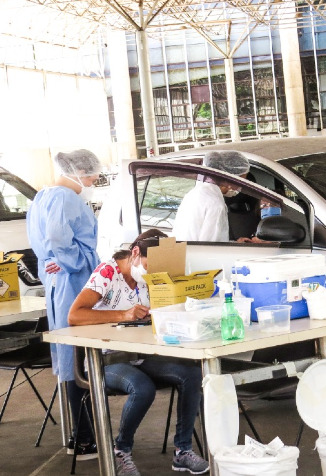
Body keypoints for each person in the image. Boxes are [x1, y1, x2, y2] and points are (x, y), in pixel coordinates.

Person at [68, 229, 208, 476]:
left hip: (138, 355)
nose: (152, 274)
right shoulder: (107, 272)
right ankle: (121, 451)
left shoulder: (148, 281)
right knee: (142, 388)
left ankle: (182, 451)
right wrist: (124, 314)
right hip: (105, 359)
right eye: (149, 266)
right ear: (135, 253)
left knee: (192, 374)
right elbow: (75, 315)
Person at [26, 149, 103, 459]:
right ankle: (84, 438)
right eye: (93, 173)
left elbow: (44, 244)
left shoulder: (42, 196)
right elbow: (60, 239)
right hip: (73, 283)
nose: (95, 178)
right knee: (79, 359)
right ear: (80, 172)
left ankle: (78, 436)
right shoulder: (65, 198)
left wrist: (55, 262)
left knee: (70, 357)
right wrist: (72, 261)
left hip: (60, 285)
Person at [173, 150, 250, 242]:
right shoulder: (215, 204)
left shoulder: (193, 194)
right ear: (231, 178)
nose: (240, 187)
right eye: (241, 182)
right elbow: (212, 247)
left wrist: (234, 243)